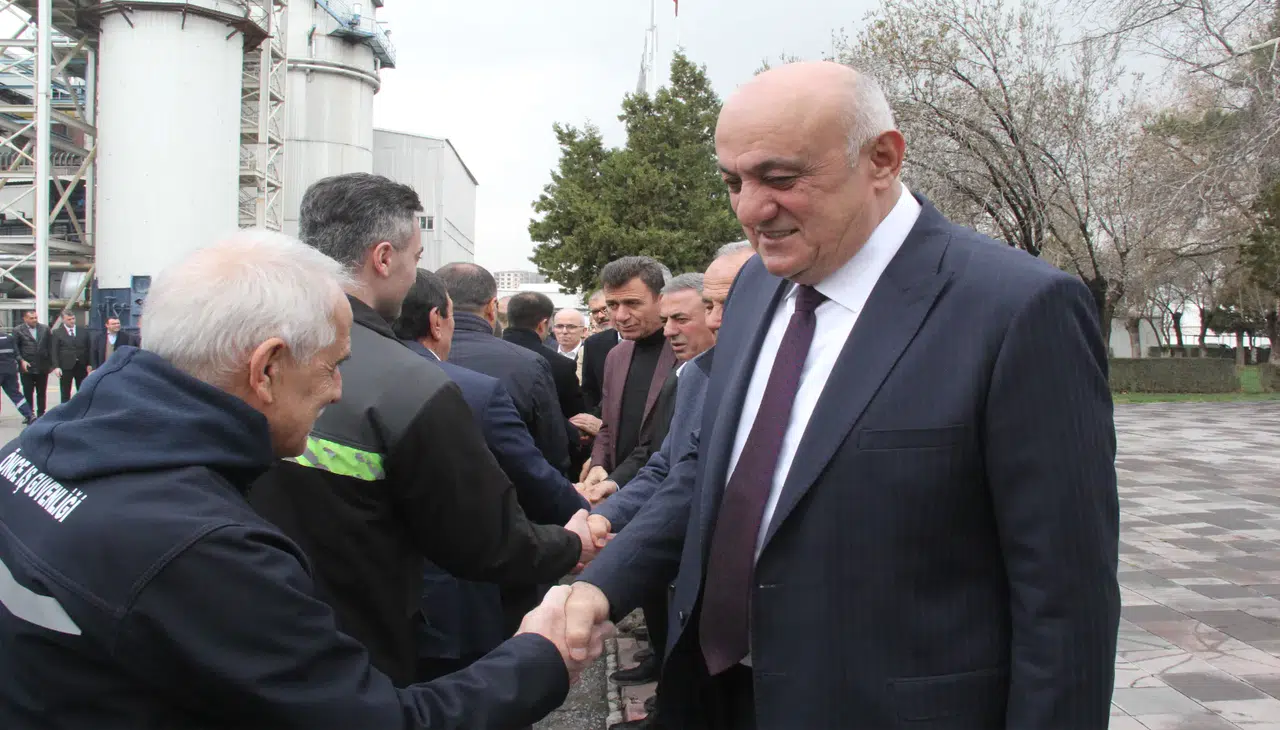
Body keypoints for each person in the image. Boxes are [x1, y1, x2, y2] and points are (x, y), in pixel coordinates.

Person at [564, 61, 1120, 729]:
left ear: (882, 158)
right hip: (717, 697)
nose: (749, 210)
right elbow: (710, 479)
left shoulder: (1018, 308)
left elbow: (1065, 599)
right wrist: (599, 588)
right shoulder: (755, 289)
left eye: (780, 178)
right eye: (733, 182)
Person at [0, 231, 609, 729]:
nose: (339, 390)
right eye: (332, 366)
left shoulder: (35, 451)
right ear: (266, 368)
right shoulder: (203, 547)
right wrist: (541, 656)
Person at [249, 174, 594, 687]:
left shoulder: (241, 348)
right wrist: (571, 543)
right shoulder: (411, 383)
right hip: (364, 652)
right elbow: (487, 542)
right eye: (415, 257)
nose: (415, 274)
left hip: (252, 630)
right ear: (384, 258)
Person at [391, 269, 590, 682]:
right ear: (436, 320)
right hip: (470, 580)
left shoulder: (339, 377)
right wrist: (581, 522)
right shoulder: (477, 389)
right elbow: (541, 466)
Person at [15, 310, 50, 418]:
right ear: (25, 319)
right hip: (27, 367)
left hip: (42, 365)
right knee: (28, 392)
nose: (34, 320)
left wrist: (51, 364)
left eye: (35, 317)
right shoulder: (18, 330)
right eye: (31, 318)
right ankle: (29, 415)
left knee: (41, 392)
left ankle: (41, 413)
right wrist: (21, 360)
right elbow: (15, 349)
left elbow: (50, 346)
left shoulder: (45, 329)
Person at [49, 310, 90, 403]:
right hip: (65, 366)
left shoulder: (83, 331)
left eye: (73, 318)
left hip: (81, 365)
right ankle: (65, 410)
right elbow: (54, 351)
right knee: (65, 392)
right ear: (63, 320)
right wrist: (56, 366)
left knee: (82, 391)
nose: (72, 321)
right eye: (69, 319)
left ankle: (81, 409)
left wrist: (89, 364)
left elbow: (88, 347)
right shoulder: (57, 332)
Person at [0, 327, 33, 424]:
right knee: (16, 395)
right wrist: (22, 361)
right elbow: (17, 354)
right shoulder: (9, 338)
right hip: (10, 370)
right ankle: (29, 415)